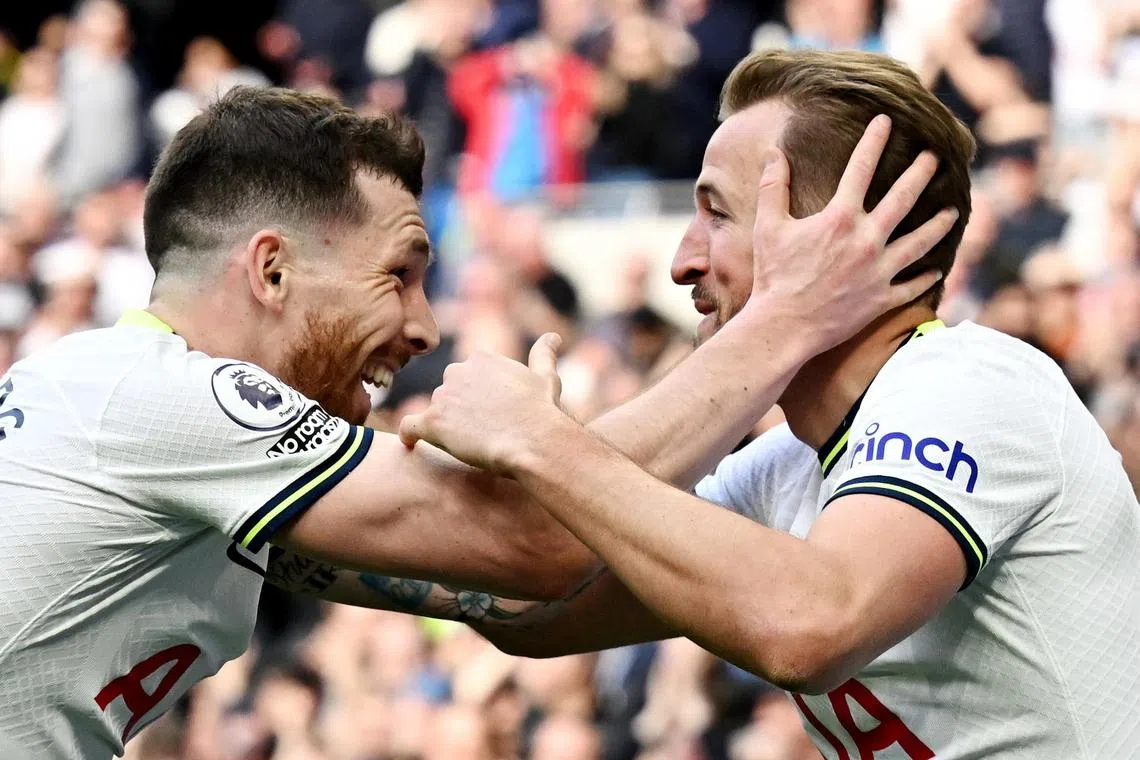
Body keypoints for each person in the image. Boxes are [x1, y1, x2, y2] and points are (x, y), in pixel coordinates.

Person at [0, 82, 948, 758]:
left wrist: (556, 461)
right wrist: (789, 314)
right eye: (399, 274)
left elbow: (522, 600)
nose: (423, 325)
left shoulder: (130, 409)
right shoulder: (173, 398)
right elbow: (531, 536)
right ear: (272, 270)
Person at [396, 49, 1140, 758]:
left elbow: (810, 625)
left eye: (717, 214)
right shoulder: (783, 469)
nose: (682, 260)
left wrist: (543, 443)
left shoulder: (969, 382)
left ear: (839, 238)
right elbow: (526, 613)